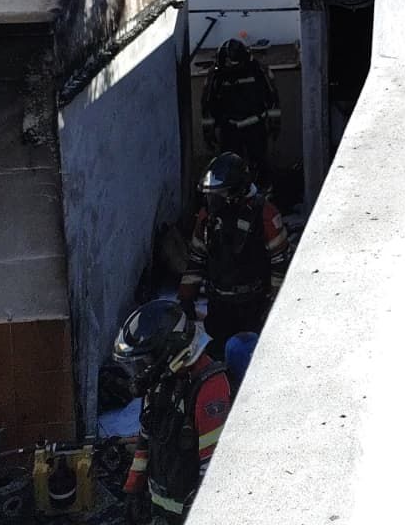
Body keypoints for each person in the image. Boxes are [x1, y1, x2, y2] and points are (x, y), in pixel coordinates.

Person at [115, 300, 231, 523]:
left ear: (169, 351)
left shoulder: (209, 388)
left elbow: (214, 467)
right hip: (159, 510)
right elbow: (145, 440)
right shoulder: (162, 381)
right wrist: (133, 489)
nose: (141, 372)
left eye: (144, 361)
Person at [179, 153, 290, 347]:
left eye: (218, 195)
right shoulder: (207, 218)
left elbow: (280, 265)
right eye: (210, 195)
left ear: (236, 191)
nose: (212, 201)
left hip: (253, 305)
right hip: (218, 305)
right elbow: (196, 259)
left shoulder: (266, 215)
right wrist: (186, 299)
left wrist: (274, 307)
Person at [200, 39, 280, 188]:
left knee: (260, 164)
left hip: (255, 127)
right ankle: (234, 198)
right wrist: (208, 132)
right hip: (229, 129)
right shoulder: (216, 75)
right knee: (229, 168)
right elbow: (207, 105)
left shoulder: (258, 70)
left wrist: (274, 124)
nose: (231, 68)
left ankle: (263, 194)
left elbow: (272, 98)